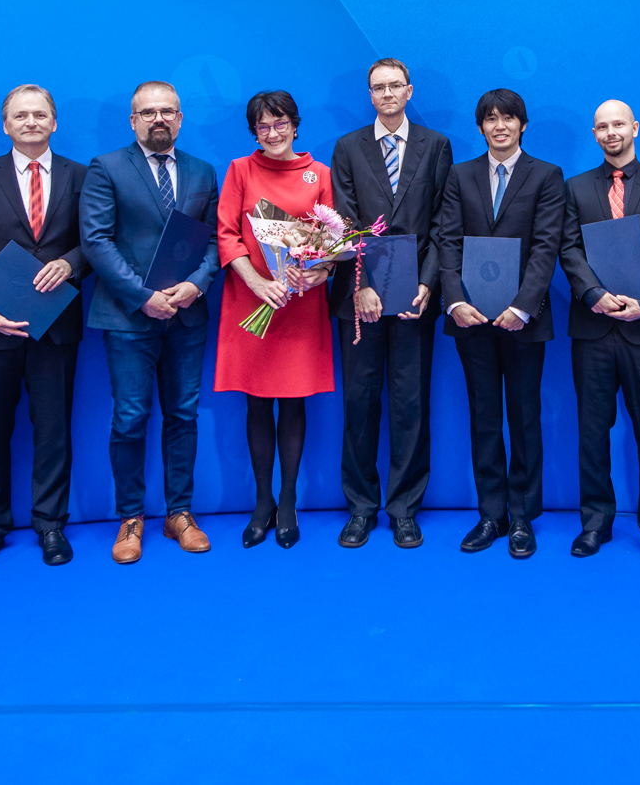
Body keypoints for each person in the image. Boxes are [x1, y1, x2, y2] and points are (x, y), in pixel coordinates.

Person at [0, 84, 89, 572]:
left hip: (56, 326)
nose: (31, 122)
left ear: (54, 122)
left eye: (40, 114)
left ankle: (51, 524)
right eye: (20, 116)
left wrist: (70, 264)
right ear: (6, 125)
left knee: (53, 429)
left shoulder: (81, 175)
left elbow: (94, 242)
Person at [80, 81, 221, 564]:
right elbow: (96, 241)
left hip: (187, 313)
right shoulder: (107, 167)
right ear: (133, 120)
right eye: (148, 113)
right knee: (130, 418)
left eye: (167, 112)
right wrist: (144, 298)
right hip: (128, 316)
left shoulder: (203, 171)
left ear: (180, 118)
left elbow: (214, 241)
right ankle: (131, 517)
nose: (158, 120)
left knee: (183, 414)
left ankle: (179, 513)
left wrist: (196, 285)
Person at [435, 89, 566, 558]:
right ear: (480, 128)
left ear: (523, 125)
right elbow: (446, 241)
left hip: (523, 322)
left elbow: (546, 246)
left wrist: (521, 306)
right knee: (484, 416)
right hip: (470, 319)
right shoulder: (460, 175)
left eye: (508, 118)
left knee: (524, 417)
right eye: (490, 119)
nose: (499, 126)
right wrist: (454, 302)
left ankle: (523, 517)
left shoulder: (547, 176)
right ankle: (491, 514)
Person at [330, 58, 454, 549]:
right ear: (370, 94)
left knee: (410, 404)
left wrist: (427, 285)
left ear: (409, 91)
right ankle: (361, 508)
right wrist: (361, 281)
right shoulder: (348, 147)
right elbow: (343, 220)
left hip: (414, 297)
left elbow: (445, 223)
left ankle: (404, 508)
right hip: (360, 297)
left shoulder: (436, 146)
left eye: (394, 86)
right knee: (359, 404)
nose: (386, 94)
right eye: (377, 87)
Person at [560, 99, 640, 572]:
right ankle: (595, 522)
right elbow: (567, 249)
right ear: (594, 134)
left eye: (619, 124)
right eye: (602, 126)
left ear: (634, 128)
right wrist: (593, 294)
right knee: (593, 432)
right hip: (593, 328)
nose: (611, 132)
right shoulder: (576, 188)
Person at [213, 91, 336, 550]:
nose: (272, 133)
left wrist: (315, 273)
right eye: (262, 126)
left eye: (280, 123)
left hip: (300, 304)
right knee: (258, 402)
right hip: (253, 301)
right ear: (254, 133)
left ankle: (287, 502)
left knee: (294, 400)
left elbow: (330, 243)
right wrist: (257, 284)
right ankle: (261, 501)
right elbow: (226, 235)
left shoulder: (319, 174)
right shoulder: (239, 170)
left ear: (295, 125)